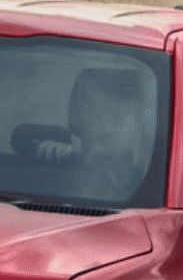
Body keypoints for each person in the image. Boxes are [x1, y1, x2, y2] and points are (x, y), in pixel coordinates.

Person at [34, 68, 158, 204]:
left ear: (139, 123)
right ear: (76, 118)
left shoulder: (151, 184)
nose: (104, 124)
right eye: (95, 113)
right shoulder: (59, 164)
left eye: (115, 116)